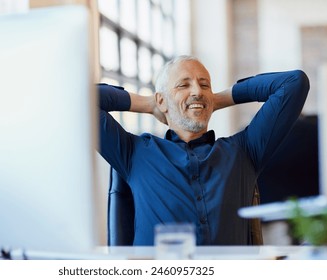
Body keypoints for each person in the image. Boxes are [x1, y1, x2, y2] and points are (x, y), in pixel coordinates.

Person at [98, 55, 309, 246]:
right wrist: (148, 104)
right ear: (161, 100)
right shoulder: (135, 154)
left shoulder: (245, 150)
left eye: (204, 85)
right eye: (183, 85)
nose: (197, 91)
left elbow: (294, 84)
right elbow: (78, 98)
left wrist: (218, 99)